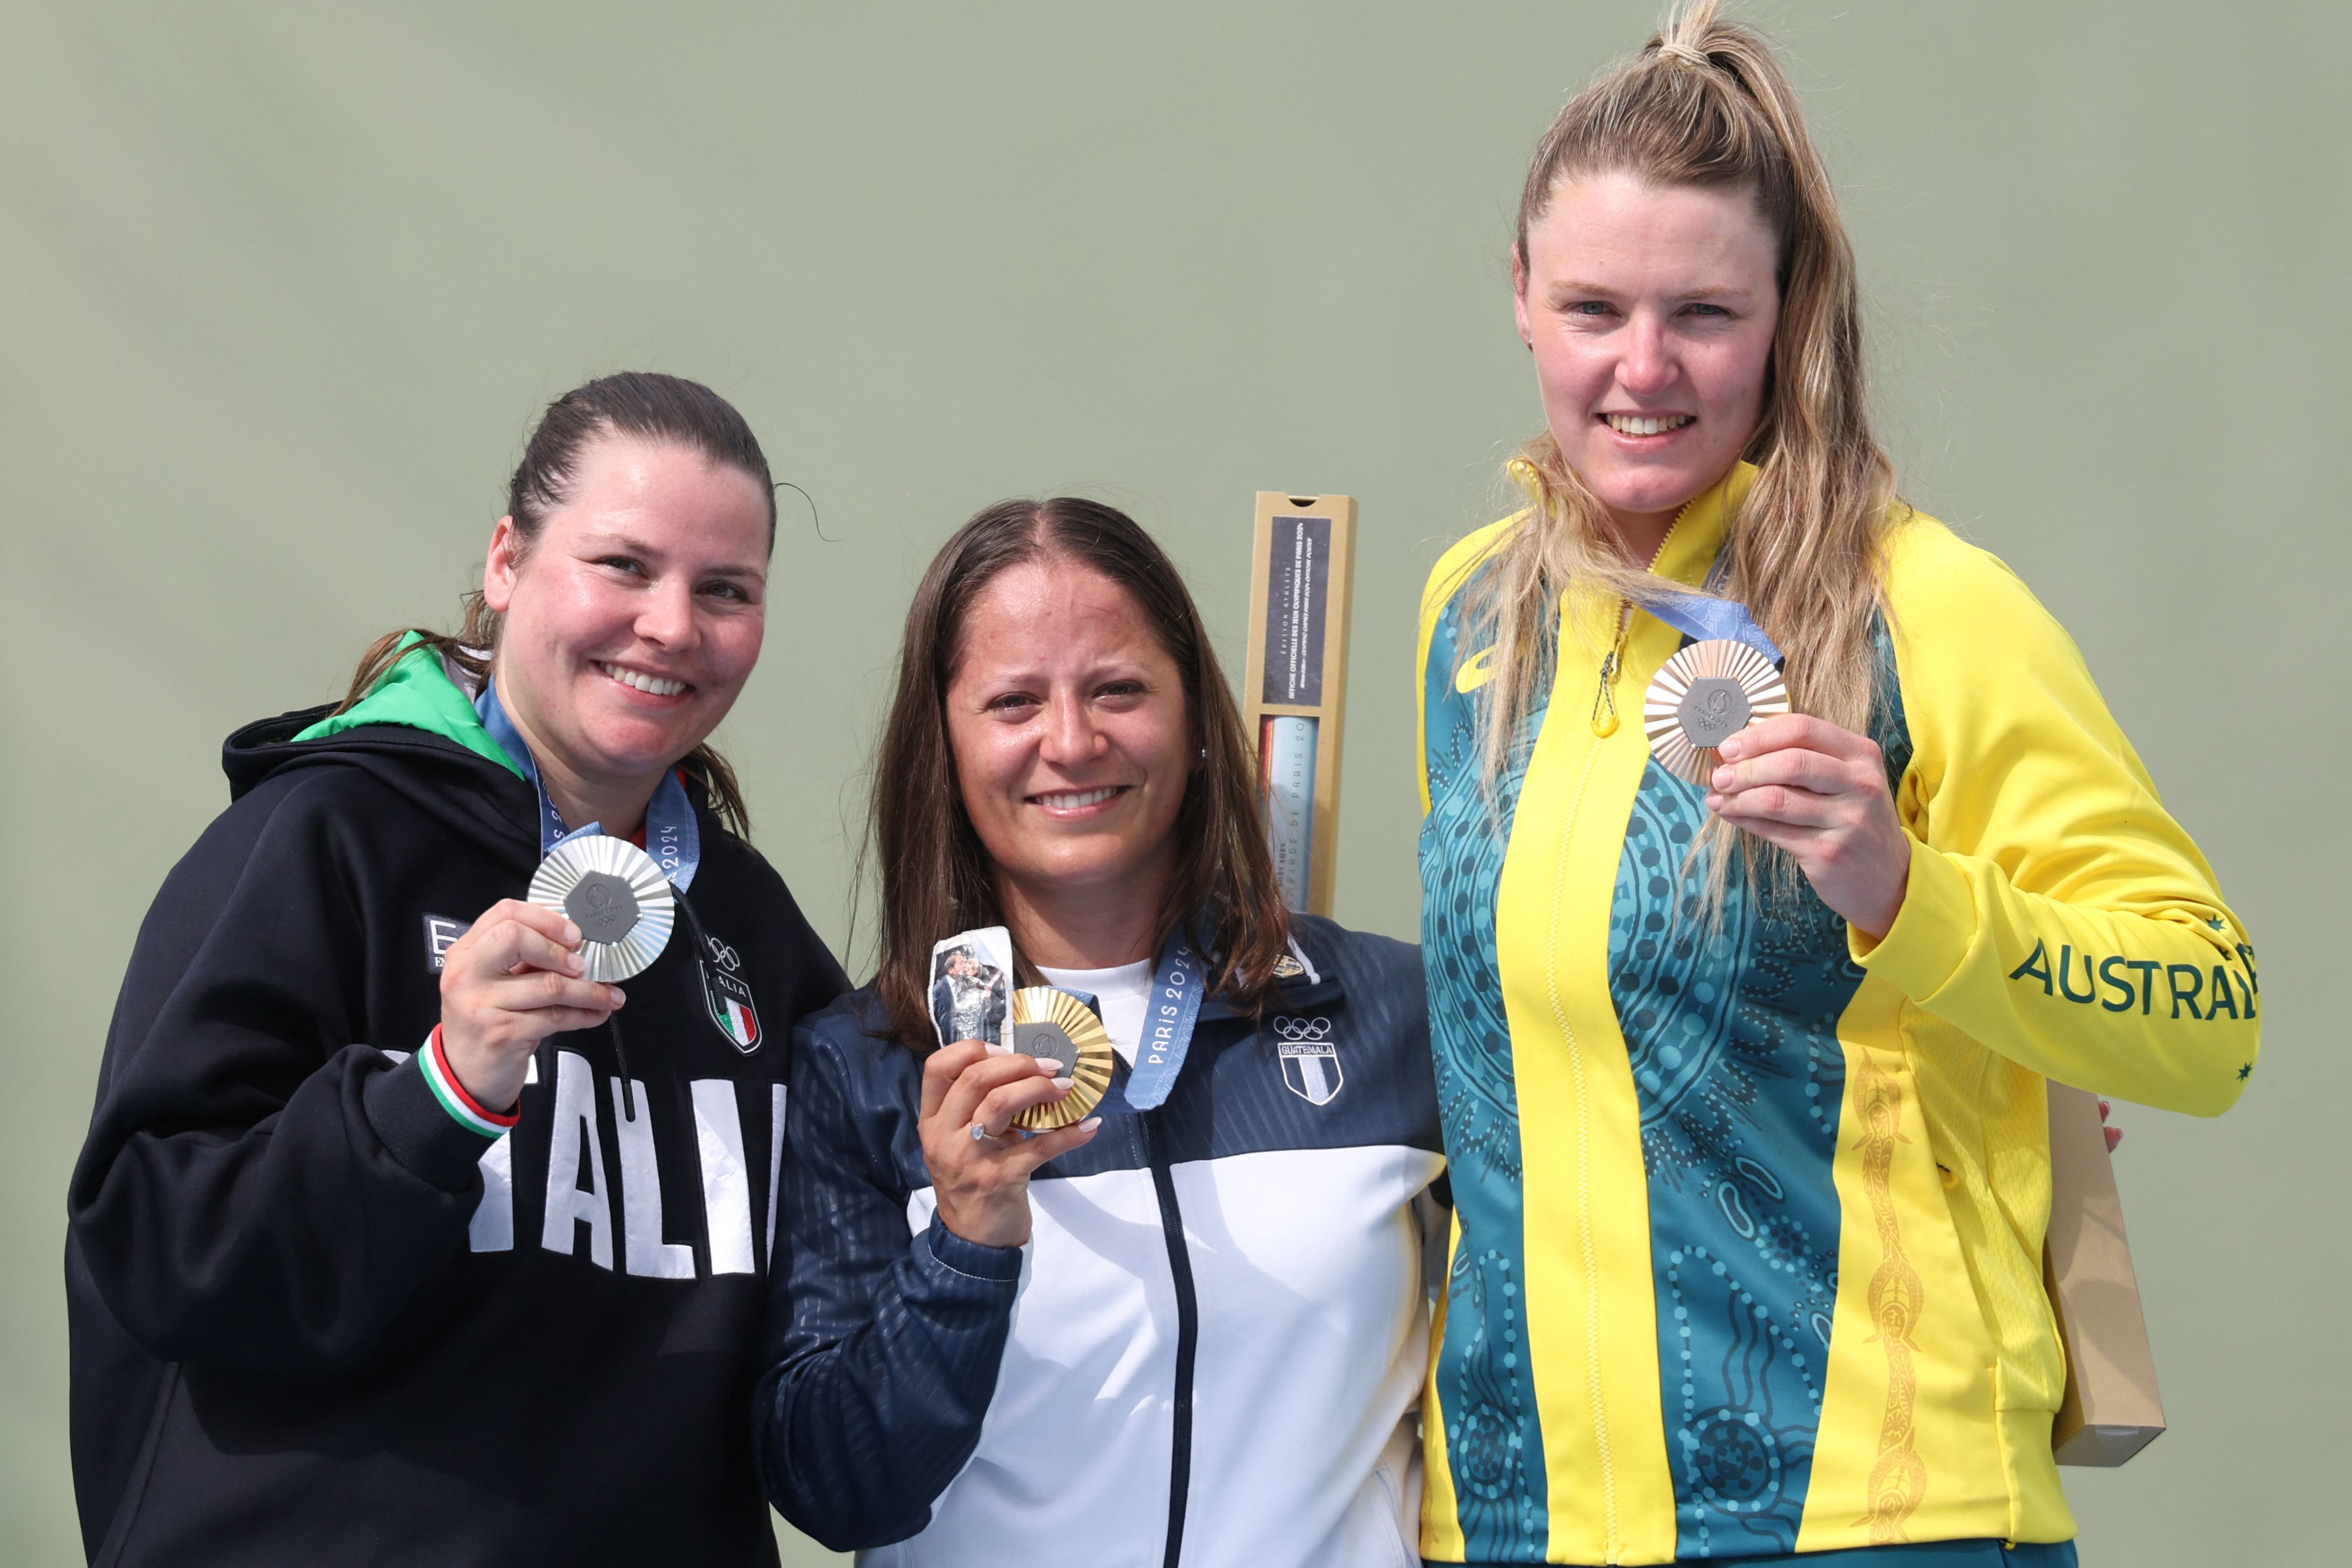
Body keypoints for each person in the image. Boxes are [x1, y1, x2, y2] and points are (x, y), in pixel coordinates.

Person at [1414, 8, 2259, 1567]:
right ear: (1521, 301)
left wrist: (1906, 895)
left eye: (1704, 314)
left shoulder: (1923, 605)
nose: (1643, 368)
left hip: (1876, 1517)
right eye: (1595, 306)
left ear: (1784, 313)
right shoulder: (1471, 620)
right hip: (1511, 1523)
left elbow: (2206, 1016)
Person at [66, 372, 845, 1565]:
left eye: (724, 589)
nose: (674, 624)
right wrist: (435, 1094)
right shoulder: (326, 838)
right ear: (505, 561)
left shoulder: (746, 925)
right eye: (624, 565)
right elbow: (156, 1249)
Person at [755, 498, 1445, 1567]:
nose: (1071, 742)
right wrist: (965, 1241)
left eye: (1117, 689)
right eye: (1013, 701)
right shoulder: (866, 1066)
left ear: (1198, 721)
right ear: (944, 744)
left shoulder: (1391, 1011)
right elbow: (837, 1490)